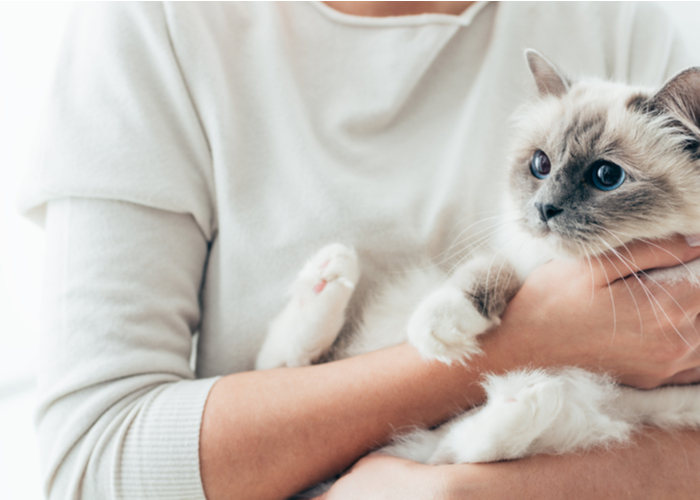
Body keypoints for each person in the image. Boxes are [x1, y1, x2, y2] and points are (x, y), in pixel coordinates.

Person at [22, 2, 700, 499]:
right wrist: (530, 340)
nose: (551, 203)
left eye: (604, 178)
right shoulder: (152, 25)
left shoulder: (621, 21)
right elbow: (92, 464)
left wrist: (457, 493)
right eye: (544, 169)